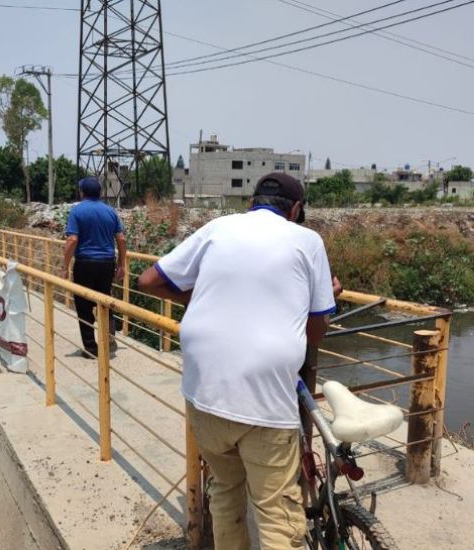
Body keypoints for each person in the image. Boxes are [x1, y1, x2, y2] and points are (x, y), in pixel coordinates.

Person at [138, 173, 338, 549]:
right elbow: (315, 333)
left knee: (227, 492)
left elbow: (148, 280)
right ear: (295, 210)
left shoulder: (218, 228)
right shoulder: (307, 241)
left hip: (204, 395)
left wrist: (205, 299)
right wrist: (320, 298)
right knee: (277, 513)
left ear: (252, 202)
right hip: (264, 402)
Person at [62, 177, 127, 358]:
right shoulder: (110, 211)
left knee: (84, 306)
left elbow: (72, 239)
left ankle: (91, 349)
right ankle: (109, 336)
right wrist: (122, 264)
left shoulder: (77, 212)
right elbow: (121, 239)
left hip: (85, 263)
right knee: (105, 301)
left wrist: (65, 266)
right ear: (99, 192)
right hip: (107, 263)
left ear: (82, 192)